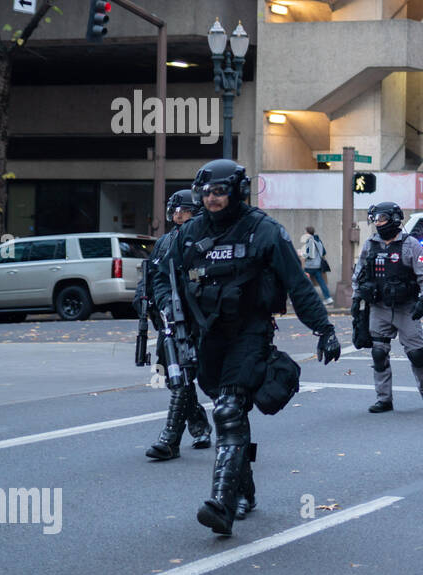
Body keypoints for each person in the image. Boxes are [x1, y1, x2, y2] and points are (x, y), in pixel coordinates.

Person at [151, 160, 341, 535]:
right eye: (205, 193)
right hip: (208, 336)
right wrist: (169, 322)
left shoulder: (264, 231)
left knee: (227, 410)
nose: (211, 199)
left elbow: (297, 284)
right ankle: (245, 490)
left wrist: (324, 329)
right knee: (229, 412)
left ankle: (221, 504)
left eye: (219, 192)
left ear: (237, 191)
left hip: (250, 331)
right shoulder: (187, 235)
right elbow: (161, 277)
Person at [138, 189, 212, 460]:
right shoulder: (165, 242)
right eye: (176, 211)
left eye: (185, 211)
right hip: (169, 319)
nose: (179, 215)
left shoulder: (204, 239)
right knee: (173, 377)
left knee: (186, 375)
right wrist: (148, 304)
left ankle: (170, 439)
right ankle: (199, 423)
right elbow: (153, 277)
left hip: (197, 318)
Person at [353, 202, 423, 412]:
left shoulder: (410, 245)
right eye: (375, 219)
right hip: (379, 308)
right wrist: (356, 301)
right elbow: (359, 274)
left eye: (382, 218)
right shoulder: (370, 244)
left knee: (417, 354)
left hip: (406, 308)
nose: (378, 223)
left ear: (394, 219)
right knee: (379, 353)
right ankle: (384, 399)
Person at [300, 226, 333, 304]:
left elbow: (310, 255)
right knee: (321, 282)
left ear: (308, 233)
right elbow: (323, 252)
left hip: (310, 266)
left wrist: (302, 254)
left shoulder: (310, 241)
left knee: (303, 281)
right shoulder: (318, 240)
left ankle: (301, 299)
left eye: (305, 232)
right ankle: (328, 298)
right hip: (318, 265)